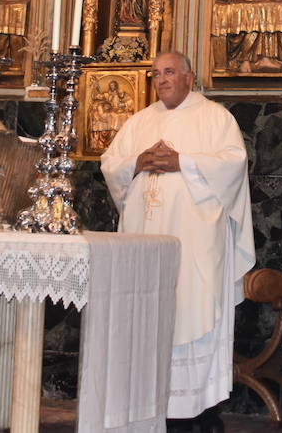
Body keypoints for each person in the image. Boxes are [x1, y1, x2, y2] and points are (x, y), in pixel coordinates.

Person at [100, 52, 254, 432]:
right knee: (147, 315)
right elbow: (109, 162)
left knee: (191, 305)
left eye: (169, 72)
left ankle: (194, 407)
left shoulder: (216, 118)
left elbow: (233, 164)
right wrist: (137, 161)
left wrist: (182, 162)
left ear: (189, 76)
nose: (161, 80)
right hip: (144, 238)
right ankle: (146, 400)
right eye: (155, 74)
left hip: (195, 243)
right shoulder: (140, 121)